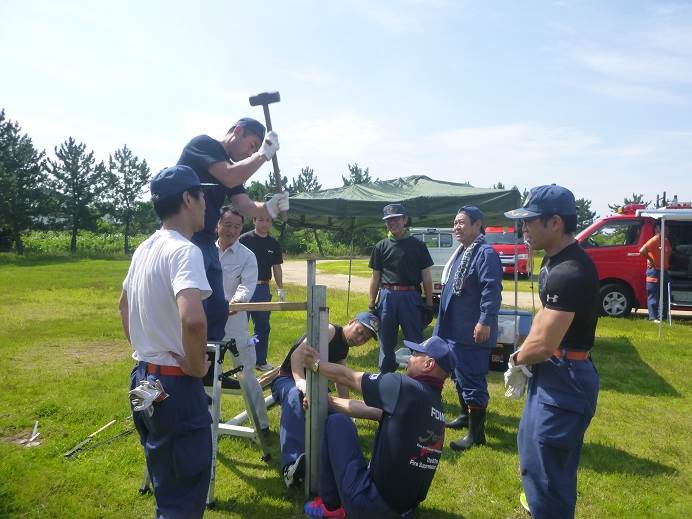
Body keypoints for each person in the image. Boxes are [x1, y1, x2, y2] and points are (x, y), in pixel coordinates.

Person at [119, 165, 214, 518]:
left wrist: (146, 347)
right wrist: (192, 365)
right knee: (183, 497)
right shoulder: (183, 251)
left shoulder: (144, 248)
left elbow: (123, 304)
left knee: (166, 478)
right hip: (174, 384)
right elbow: (193, 319)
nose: (206, 203)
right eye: (202, 196)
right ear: (188, 199)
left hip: (143, 378)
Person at [504, 184, 600, 519]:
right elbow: (544, 322)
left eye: (529, 221)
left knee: (549, 471)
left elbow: (545, 344)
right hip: (552, 373)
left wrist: (516, 359)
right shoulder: (554, 263)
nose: (523, 229)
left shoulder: (570, 271)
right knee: (533, 456)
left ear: (555, 223)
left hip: (566, 380)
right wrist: (525, 353)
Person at [300, 335, 455, 518]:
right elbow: (372, 411)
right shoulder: (435, 407)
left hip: (368, 506)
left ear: (428, 364)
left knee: (337, 423)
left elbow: (348, 377)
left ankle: (331, 507)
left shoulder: (405, 387)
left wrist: (316, 364)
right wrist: (329, 401)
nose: (409, 358)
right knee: (339, 416)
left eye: (415, 354)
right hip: (404, 508)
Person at [177, 117, 288, 343]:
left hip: (207, 242)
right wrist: (264, 155)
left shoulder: (231, 167)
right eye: (252, 145)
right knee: (189, 307)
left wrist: (269, 207)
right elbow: (229, 175)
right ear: (238, 131)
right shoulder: (203, 145)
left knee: (217, 309)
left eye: (256, 148)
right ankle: (183, 358)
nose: (251, 153)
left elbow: (244, 205)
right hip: (184, 239)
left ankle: (210, 369)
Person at [271, 311, 379, 489]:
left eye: (365, 339)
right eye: (360, 332)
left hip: (314, 386)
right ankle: (290, 467)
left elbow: (340, 379)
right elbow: (297, 357)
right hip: (288, 379)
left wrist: (347, 411)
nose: (360, 339)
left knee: (337, 415)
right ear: (351, 321)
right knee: (294, 396)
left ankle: (349, 462)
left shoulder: (343, 349)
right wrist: (302, 385)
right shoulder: (329, 331)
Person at [434, 206, 502, 450]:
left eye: (461, 222)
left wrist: (485, 321)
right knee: (458, 376)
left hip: (471, 331)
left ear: (477, 225)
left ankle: (476, 434)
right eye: (455, 223)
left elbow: (491, 291)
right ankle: (465, 416)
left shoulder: (485, 254)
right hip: (453, 329)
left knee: (472, 379)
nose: (456, 227)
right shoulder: (463, 252)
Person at [216, 205, 269, 434]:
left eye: (237, 226)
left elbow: (247, 286)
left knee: (246, 372)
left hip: (235, 323)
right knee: (207, 375)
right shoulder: (203, 251)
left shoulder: (247, 256)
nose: (232, 230)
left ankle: (262, 423)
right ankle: (208, 421)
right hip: (207, 324)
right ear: (218, 225)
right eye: (227, 224)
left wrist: (235, 303)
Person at [369, 203, 434, 373]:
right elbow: (375, 278)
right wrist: (371, 304)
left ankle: (421, 378)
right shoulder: (381, 246)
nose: (392, 223)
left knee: (416, 340)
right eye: (389, 220)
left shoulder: (418, 246)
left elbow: (426, 277)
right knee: (386, 341)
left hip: (410, 296)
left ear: (405, 220)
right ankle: (385, 379)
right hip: (386, 296)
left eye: (396, 219)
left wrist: (428, 302)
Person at [240, 214, 284, 371]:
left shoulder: (273, 243)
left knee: (262, 327)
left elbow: (277, 267)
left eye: (268, 220)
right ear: (254, 220)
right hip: (243, 288)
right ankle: (241, 362)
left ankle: (260, 360)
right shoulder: (244, 240)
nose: (264, 223)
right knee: (240, 327)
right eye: (261, 220)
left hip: (262, 288)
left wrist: (280, 288)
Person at [639, 222, 672, 322]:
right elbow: (642, 251)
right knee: (654, 295)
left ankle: (663, 317)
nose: (667, 231)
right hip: (655, 271)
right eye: (665, 229)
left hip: (664, 271)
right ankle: (653, 318)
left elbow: (669, 253)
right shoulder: (655, 239)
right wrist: (652, 260)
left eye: (667, 229)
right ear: (658, 229)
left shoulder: (666, 241)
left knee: (665, 295)